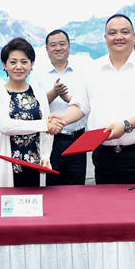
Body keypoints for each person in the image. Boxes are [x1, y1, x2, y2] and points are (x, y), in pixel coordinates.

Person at [51, 14, 135, 184]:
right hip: (104, 156)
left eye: (124, 32)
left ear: (133, 36)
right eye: (113, 33)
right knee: (106, 201)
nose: (118, 37)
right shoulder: (93, 69)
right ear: (105, 37)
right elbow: (79, 106)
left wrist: (126, 125)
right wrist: (62, 119)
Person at [0, 38, 62, 187]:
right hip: (7, 163)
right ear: (4, 65)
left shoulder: (38, 92)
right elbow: (6, 126)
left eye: (24, 62)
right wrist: (44, 125)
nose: (18, 66)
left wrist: (46, 157)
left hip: (35, 164)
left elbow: (47, 131)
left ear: (32, 64)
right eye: (13, 62)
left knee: (35, 200)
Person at [30, 29, 87, 185]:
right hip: (50, 140)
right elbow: (34, 106)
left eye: (62, 44)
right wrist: (54, 93)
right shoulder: (38, 74)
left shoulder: (82, 72)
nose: (58, 48)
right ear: (47, 49)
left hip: (77, 138)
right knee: (51, 186)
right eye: (53, 45)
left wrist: (68, 98)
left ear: (69, 46)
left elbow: (86, 102)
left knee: (76, 185)